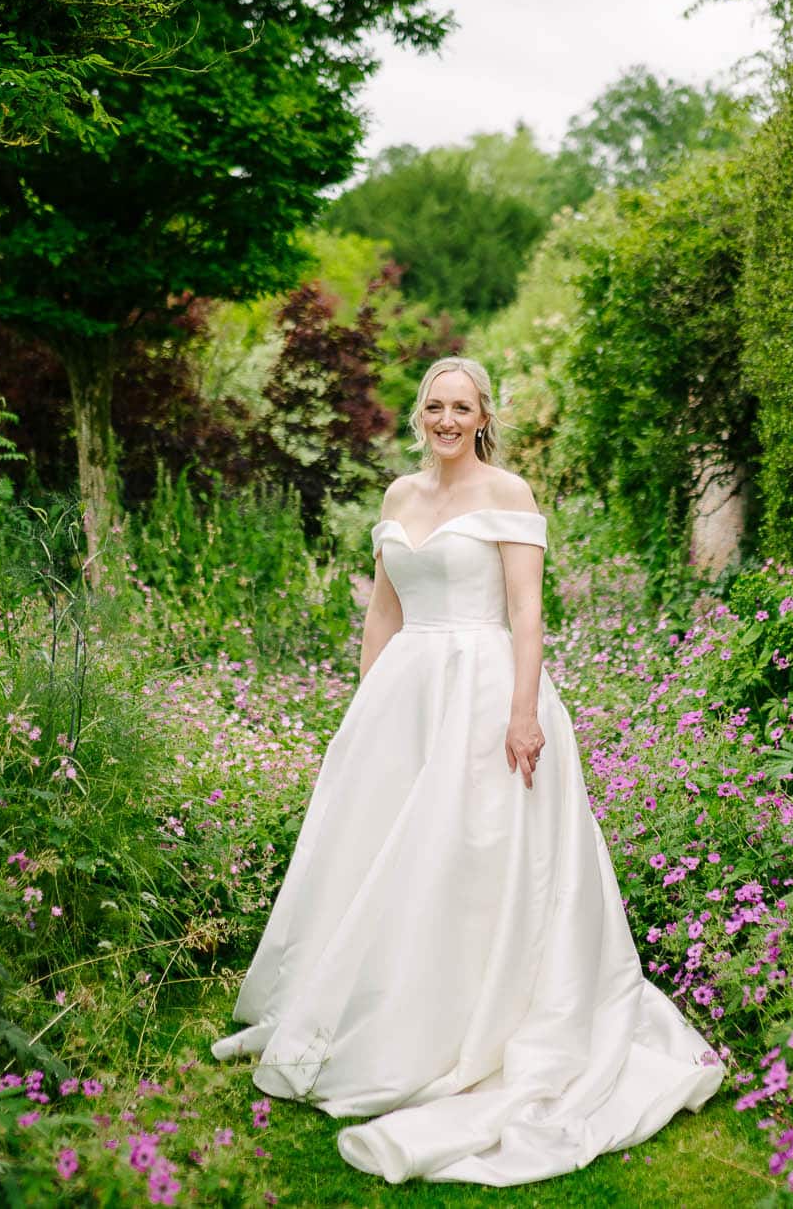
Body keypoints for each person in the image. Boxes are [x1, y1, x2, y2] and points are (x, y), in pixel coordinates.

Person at [209, 356, 724, 1186]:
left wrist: (522, 712)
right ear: (421, 414)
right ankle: (384, 1007)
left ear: (483, 416)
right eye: (435, 406)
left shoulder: (508, 494)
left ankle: (476, 1026)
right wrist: (366, 710)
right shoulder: (398, 499)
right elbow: (385, 607)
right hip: (408, 696)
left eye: (463, 407)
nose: (447, 419)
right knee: (386, 856)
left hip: (485, 693)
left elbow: (526, 611)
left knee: (476, 856)